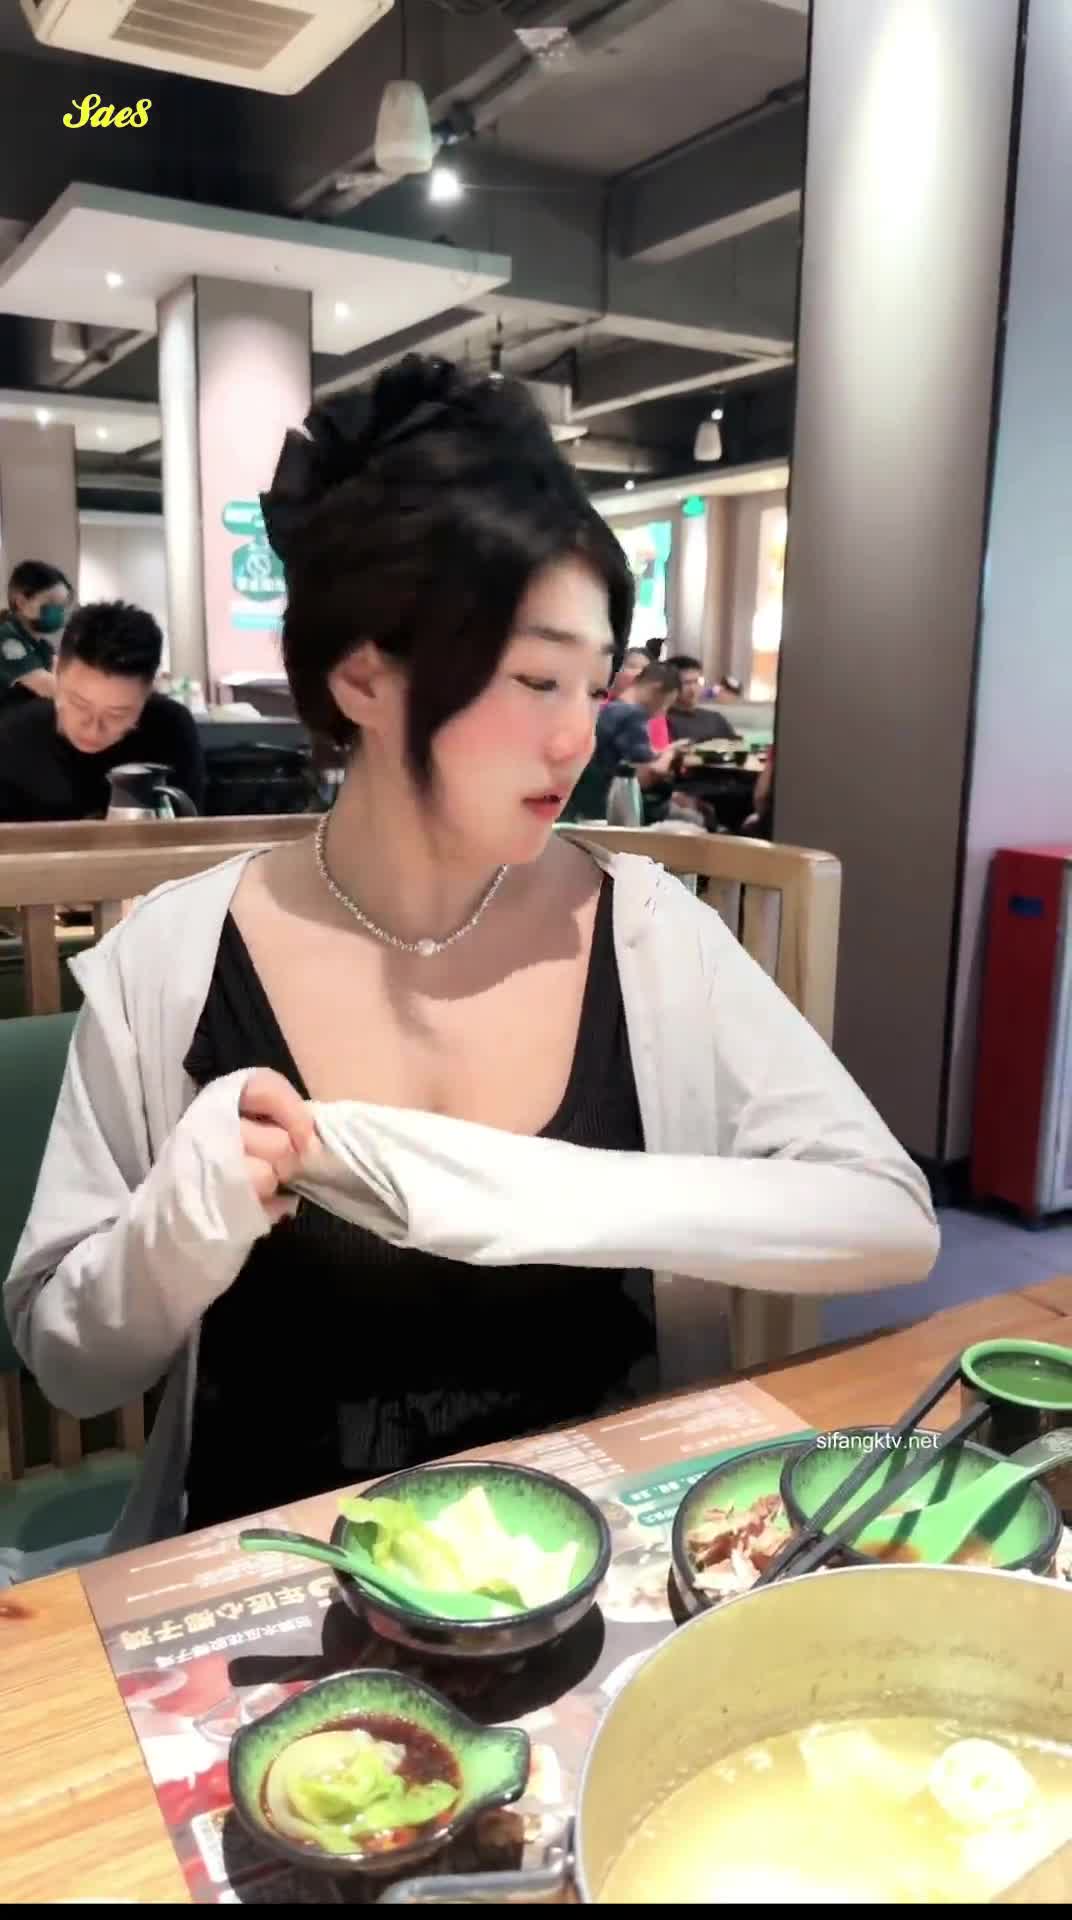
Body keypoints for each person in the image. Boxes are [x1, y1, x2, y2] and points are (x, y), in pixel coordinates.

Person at [6, 354, 939, 1549]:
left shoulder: (650, 934)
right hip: (276, 1570)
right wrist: (183, 1219)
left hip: (603, 1564)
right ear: (364, 675)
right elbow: (69, 1363)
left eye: (595, 684)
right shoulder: (173, 964)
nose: (577, 737)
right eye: (536, 678)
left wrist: (500, 1191)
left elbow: (890, 1218)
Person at [0, 599, 205, 822]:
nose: (93, 729)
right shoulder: (13, 737)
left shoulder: (170, 729)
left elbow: (190, 830)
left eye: (117, 714)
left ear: (148, 692)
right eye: (79, 704)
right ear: (57, 672)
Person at [565, 662, 680, 821]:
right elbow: (649, 769)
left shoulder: (612, 709)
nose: (663, 711)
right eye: (666, 703)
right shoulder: (633, 715)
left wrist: (660, 753)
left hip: (587, 797)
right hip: (608, 802)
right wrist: (670, 755)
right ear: (656, 689)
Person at [0, 560, 73, 711]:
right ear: (21, 603)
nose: (59, 611)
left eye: (62, 605)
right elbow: (50, 687)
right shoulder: (7, 640)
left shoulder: (42, 645)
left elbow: (63, 674)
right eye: (51, 603)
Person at [665, 654, 741, 745]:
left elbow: (737, 747)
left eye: (697, 681)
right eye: (686, 683)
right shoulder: (662, 721)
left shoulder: (715, 719)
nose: (693, 689)